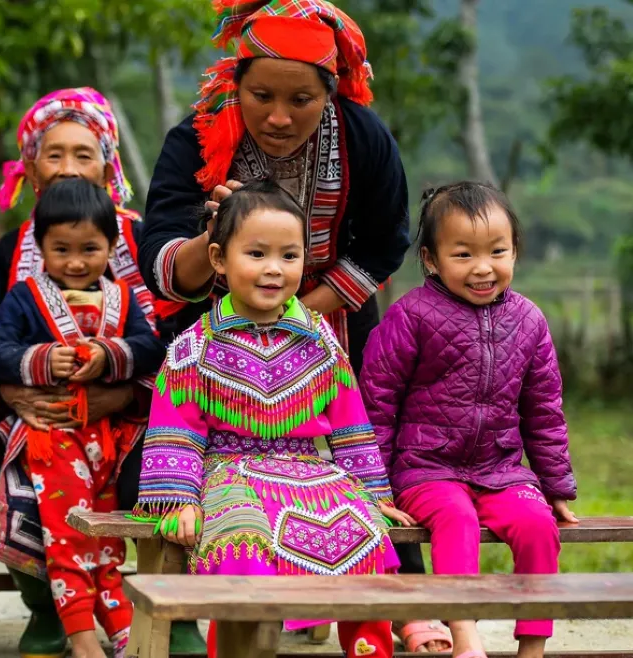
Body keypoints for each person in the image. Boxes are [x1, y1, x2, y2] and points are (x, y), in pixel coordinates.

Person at [136, 0, 447, 650]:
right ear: (234, 83)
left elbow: (387, 240)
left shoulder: (363, 136)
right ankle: (199, 616)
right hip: (220, 328)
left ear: (329, 95)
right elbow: (161, 262)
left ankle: (401, 605)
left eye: (301, 99)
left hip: (330, 313)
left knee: (369, 457)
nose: (279, 116)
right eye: (262, 96)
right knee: (185, 479)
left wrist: (305, 314)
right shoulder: (194, 139)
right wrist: (211, 240)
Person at [135, 180, 412, 658]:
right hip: (228, 475)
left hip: (316, 474)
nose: (273, 270)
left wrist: (374, 494)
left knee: (363, 533)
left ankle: (370, 650)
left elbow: (351, 425)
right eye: (257, 254)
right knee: (241, 545)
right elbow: (176, 431)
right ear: (219, 260)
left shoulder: (321, 340)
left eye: (289, 256)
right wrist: (179, 500)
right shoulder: (194, 348)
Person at [0, 87, 202, 657]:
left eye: (83, 153)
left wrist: (121, 385)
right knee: (24, 486)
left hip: (140, 416)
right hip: (44, 419)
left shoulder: (139, 240)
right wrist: (18, 388)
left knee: (163, 477)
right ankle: (52, 610)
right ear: (31, 164)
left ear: (108, 161)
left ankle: (171, 613)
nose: (67, 168)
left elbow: (169, 343)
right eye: (52, 153)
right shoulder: (13, 251)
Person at [360, 182, 579, 658]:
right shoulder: (409, 317)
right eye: (463, 254)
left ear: (515, 252)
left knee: (539, 525)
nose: (483, 267)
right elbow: (376, 404)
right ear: (431, 259)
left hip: (500, 470)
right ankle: (465, 638)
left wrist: (556, 485)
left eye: (497, 251)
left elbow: (543, 410)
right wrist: (373, 486)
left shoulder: (529, 321)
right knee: (455, 521)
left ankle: (534, 646)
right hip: (425, 470)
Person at [0, 178, 166, 658]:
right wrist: (42, 359)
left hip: (108, 436)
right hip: (51, 435)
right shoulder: (25, 297)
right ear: (40, 246)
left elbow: (150, 349)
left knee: (104, 529)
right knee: (67, 529)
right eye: (61, 249)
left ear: (112, 245)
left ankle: (118, 617)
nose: (77, 261)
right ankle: (79, 628)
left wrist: (108, 356)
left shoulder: (124, 299)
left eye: (91, 248)